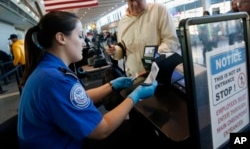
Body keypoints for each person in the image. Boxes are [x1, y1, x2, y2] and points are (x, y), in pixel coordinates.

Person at [17, 10, 158, 149]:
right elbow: (103, 130)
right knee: (141, 132)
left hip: (61, 139)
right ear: (61, 38)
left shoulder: (47, 71)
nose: (84, 43)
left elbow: (77, 99)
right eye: (80, 36)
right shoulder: (56, 80)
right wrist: (135, 96)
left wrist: (111, 85)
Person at [105, 0, 180, 79]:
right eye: (130, 0)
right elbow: (123, 48)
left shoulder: (159, 10)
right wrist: (115, 51)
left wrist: (153, 56)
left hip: (158, 76)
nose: (135, 4)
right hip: (134, 78)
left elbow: (171, 41)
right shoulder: (123, 21)